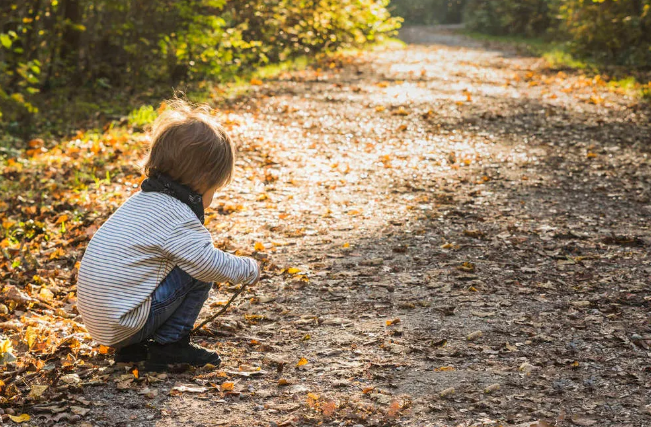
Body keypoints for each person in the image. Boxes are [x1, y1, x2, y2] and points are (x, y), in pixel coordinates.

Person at [77, 99, 259, 370]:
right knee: (197, 269)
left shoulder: (141, 201)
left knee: (168, 263)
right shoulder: (176, 217)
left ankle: (133, 350)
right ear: (202, 179)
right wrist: (249, 269)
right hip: (125, 322)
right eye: (215, 187)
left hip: (103, 322)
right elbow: (208, 264)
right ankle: (170, 345)